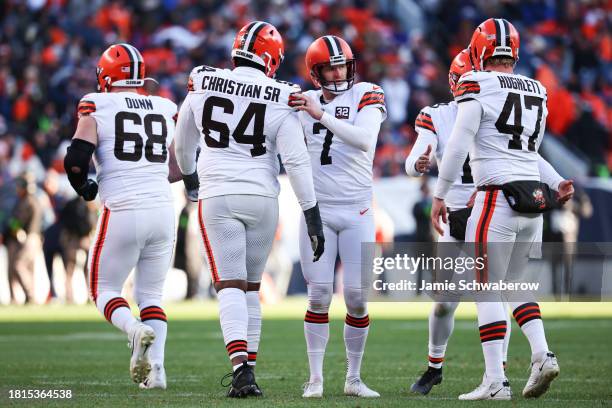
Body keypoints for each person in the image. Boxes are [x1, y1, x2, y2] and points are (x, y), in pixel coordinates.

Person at [174, 21, 324, 398]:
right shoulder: (283, 94)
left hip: (219, 194)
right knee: (250, 290)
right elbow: (297, 162)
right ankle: (249, 371)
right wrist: (311, 214)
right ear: (272, 59)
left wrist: (191, 179)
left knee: (229, 285)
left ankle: (241, 369)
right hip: (262, 198)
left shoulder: (203, 81)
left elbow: (182, 143)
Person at [430, 19, 574, 400]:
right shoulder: (538, 88)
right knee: (513, 284)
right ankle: (542, 354)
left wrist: (441, 193)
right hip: (533, 199)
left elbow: (459, 145)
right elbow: (529, 152)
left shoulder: (477, 84)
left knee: (486, 289)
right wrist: (558, 180)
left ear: (479, 50)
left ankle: (495, 381)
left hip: (496, 198)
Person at [64, 43, 180, 389]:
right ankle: (156, 371)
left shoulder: (97, 103)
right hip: (163, 209)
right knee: (151, 296)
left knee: (103, 289)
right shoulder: (164, 106)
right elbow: (175, 168)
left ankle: (133, 331)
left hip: (123, 209)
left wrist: (84, 186)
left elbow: (76, 159)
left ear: (106, 76)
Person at [289, 35, 386, 398]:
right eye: (330, 66)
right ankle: (315, 378)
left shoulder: (366, 93)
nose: (337, 72)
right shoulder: (303, 101)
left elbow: (365, 140)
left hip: (358, 209)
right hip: (319, 211)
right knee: (318, 296)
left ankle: (353, 378)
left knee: (358, 298)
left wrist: (321, 115)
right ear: (316, 72)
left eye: (342, 64)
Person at [5, 173, 42, 304]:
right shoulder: (34, 200)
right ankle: (29, 297)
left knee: (18, 265)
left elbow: (16, 223)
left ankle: (30, 295)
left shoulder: (27, 201)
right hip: (33, 238)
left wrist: (11, 226)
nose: (17, 189)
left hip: (27, 239)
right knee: (28, 268)